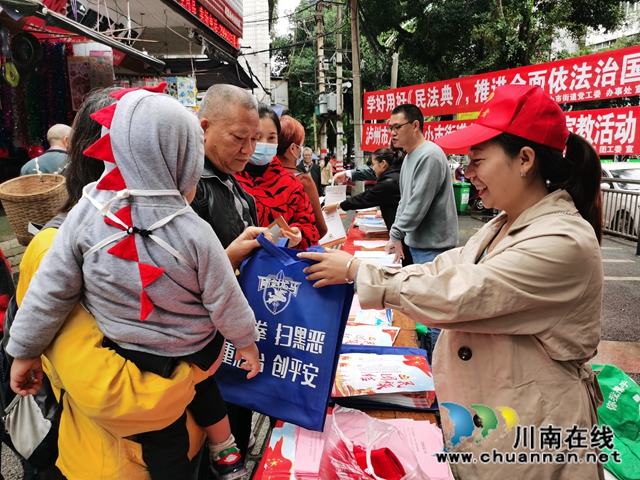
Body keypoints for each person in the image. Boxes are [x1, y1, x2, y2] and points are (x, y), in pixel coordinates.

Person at [298, 84, 605, 480]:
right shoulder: (504, 223)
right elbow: (445, 268)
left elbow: (463, 292)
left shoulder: (563, 241)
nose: (468, 172)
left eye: (477, 160)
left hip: (530, 428)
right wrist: (361, 267)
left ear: (525, 159)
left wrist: (360, 273)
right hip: (493, 414)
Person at [7, 90, 261, 480]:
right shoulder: (56, 243)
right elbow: (118, 395)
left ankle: (221, 450)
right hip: (123, 460)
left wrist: (23, 350)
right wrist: (222, 354)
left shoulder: (88, 218)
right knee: (172, 442)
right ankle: (225, 451)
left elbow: (50, 295)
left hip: (156, 398)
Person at [235, 103, 319, 249]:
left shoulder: (291, 184)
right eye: (257, 137)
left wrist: (298, 235)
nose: (264, 143)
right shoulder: (227, 180)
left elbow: (311, 229)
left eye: (272, 138)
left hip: (278, 269)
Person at [323, 147, 412, 266]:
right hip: (401, 236)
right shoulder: (397, 173)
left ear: (383, 164)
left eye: (374, 165)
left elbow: (365, 198)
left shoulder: (388, 183)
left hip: (407, 240)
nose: (373, 169)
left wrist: (338, 205)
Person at [277, 116, 328, 239]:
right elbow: (320, 229)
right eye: (300, 147)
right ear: (293, 148)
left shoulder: (253, 176)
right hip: (293, 254)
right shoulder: (302, 180)